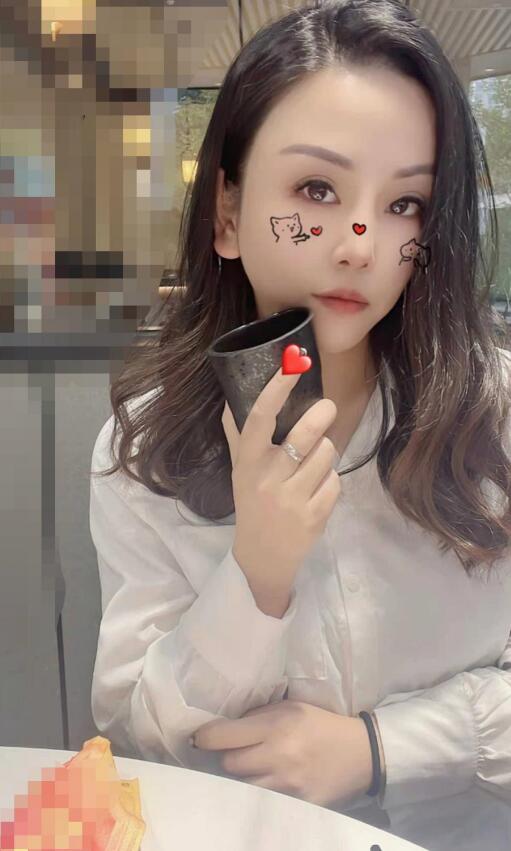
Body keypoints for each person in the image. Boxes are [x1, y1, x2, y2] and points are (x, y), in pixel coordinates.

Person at [89, 1, 511, 848]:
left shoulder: (493, 412)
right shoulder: (145, 446)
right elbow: (141, 735)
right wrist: (258, 573)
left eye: (406, 204)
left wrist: (378, 748)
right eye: (316, 190)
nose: (360, 244)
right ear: (227, 213)